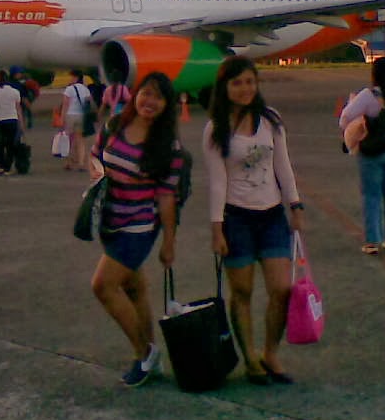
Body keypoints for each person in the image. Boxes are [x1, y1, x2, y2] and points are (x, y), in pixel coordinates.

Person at [203, 55, 304, 386]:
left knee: (282, 289)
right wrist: (216, 228)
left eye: (249, 81)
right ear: (224, 87)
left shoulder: (271, 120)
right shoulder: (216, 129)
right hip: (236, 218)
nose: (245, 89)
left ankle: (270, 353)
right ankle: (250, 358)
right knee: (242, 291)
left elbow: (283, 165)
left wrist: (295, 204)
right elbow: (217, 181)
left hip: (272, 215)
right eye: (237, 83)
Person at [89, 71, 183, 387]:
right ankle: (150, 357)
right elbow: (95, 156)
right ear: (135, 94)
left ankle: (145, 352)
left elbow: (167, 198)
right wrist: (97, 175)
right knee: (134, 289)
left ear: (167, 105)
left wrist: (169, 242)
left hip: (139, 226)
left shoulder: (168, 146)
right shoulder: (115, 126)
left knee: (103, 286)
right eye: (146, 93)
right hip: (109, 221)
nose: (150, 101)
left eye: (159, 97)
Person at [338, 56, 385, 254]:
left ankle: (372, 241)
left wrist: (354, 126)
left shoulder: (368, 95)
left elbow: (345, 118)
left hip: (372, 150)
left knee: (371, 196)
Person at [0, 70, 24, 175]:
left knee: (0, 144)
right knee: (11, 144)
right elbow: (18, 109)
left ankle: (1, 166)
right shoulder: (15, 92)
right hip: (12, 119)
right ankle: (8, 167)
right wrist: (21, 123)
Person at [60, 70, 94, 171]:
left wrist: (62, 117)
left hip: (70, 116)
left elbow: (65, 104)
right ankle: (81, 163)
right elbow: (89, 102)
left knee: (68, 140)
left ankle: (68, 162)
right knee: (80, 140)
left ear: (75, 77)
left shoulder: (69, 89)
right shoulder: (85, 89)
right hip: (81, 116)